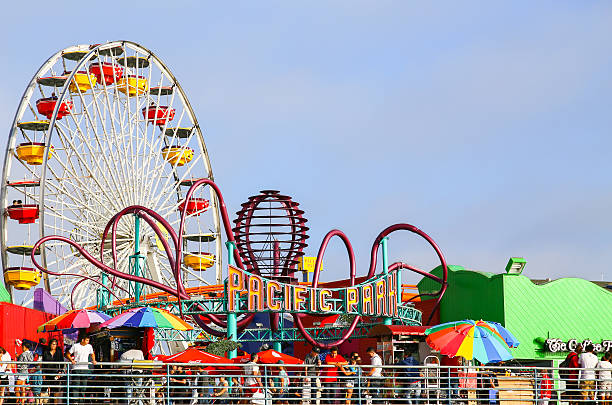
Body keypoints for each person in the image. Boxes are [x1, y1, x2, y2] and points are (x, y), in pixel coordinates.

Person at [65, 335, 97, 405]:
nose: (87, 342)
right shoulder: (76, 346)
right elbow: (67, 354)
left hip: (85, 368)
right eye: (86, 340)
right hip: (76, 368)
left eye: (88, 340)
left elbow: (92, 354)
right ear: (82, 340)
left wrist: (94, 360)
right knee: (76, 385)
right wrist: (71, 360)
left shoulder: (89, 346)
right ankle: (75, 402)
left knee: (83, 386)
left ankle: (81, 401)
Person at [42, 339, 64, 405]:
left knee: (56, 389)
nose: (53, 346)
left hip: (56, 372)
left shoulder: (59, 352)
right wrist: (43, 373)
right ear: (50, 344)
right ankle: (43, 402)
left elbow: (62, 363)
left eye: (55, 344)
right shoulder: (46, 352)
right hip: (47, 372)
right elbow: (43, 363)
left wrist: (60, 372)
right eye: (52, 344)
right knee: (44, 389)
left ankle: (55, 403)